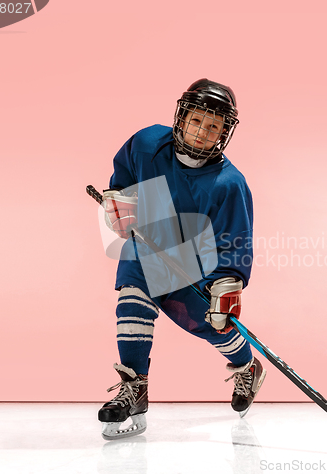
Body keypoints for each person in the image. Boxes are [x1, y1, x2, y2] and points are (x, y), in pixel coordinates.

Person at [97, 78, 266, 440]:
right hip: (149, 235)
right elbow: (124, 174)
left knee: (209, 324)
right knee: (132, 297)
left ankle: (247, 366)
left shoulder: (228, 183)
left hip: (194, 251)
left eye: (213, 126)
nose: (202, 132)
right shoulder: (146, 144)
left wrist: (226, 287)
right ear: (182, 116)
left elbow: (234, 241)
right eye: (197, 120)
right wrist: (118, 200)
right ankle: (135, 387)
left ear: (224, 133)